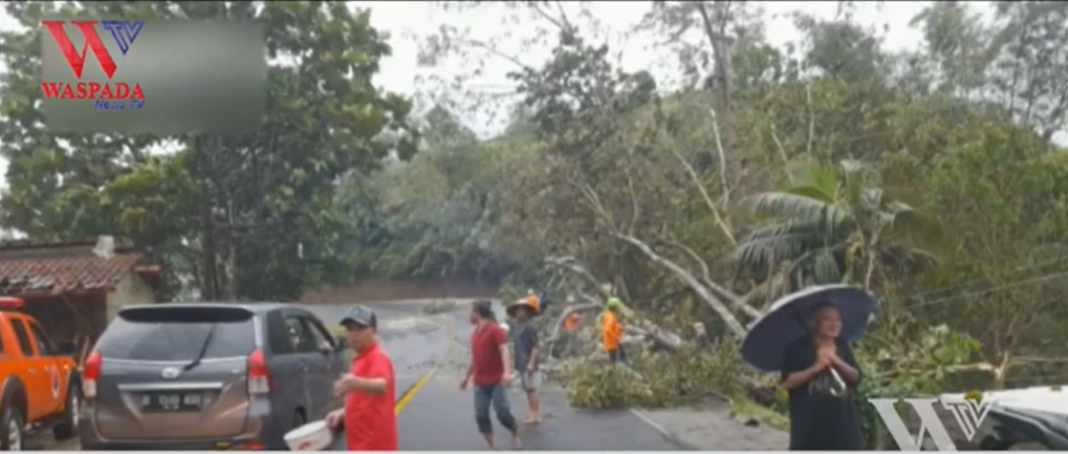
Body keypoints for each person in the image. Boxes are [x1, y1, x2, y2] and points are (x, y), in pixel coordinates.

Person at [780, 302, 863, 450]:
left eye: (837, 319)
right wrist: (816, 367)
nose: (834, 324)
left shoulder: (842, 346)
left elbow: (856, 377)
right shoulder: (798, 348)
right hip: (809, 429)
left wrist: (836, 360)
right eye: (827, 319)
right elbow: (787, 383)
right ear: (815, 322)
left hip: (844, 427)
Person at [325, 305, 398, 451]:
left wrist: (356, 382)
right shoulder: (359, 359)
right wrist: (343, 412)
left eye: (359, 328)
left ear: (372, 331)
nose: (353, 334)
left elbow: (381, 385)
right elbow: (362, 399)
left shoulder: (378, 356)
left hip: (375, 444)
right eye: (350, 329)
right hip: (359, 443)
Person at [460, 300, 521, 450]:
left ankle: (514, 433)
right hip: (480, 383)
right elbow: (475, 359)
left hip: (496, 381)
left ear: (477, 313)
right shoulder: (475, 334)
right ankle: (492, 446)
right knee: (481, 415)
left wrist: (506, 371)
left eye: (470, 312)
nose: (468, 315)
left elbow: (504, 350)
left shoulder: (495, 330)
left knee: (502, 412)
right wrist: (466, 377)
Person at [506, 298, 541, 424]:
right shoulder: (517, 327)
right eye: (517, 311)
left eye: (522, 311)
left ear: (527, 312)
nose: (519, 313)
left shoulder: (529, 327)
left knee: (532, 389)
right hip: (521, 363)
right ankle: (531, 413)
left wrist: (531, 363)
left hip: (528, 363)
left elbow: (535, 347)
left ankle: (536, 415)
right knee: (527, 389)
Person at [601, 297, 626, 363]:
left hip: (613, 342)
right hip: (612, 343)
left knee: (620, 356)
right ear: (614, 307)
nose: (619, 308)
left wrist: (619, 327)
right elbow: (608, 329)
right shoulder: (610, 317)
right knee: (616, 359)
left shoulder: (610, 315)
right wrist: (616, 337)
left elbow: (612, 326)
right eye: (618, 307)